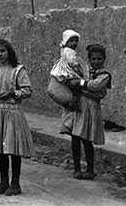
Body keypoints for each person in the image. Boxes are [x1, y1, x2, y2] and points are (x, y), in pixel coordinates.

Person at [0, 39, 34, 197]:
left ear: (9, 51)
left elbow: (28, 90)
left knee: (13, 148)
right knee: (1, 149)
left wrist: (13, 93)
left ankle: (15, 182)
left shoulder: (18, 70)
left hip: (12, 112)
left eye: (2, 51)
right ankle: (3, 181)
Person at [66, 44, 112, 180]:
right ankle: (77, 168)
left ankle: (90, 169)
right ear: (89, 59)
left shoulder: (104, 75)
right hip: (80, 106)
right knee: (75, 137)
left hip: (92, 107)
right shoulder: (85, 71)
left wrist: (80, 83)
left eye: (99, 59)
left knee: (87, 139)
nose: (96, 61)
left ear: (104, 59)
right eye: (93, 59)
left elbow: (95, 85)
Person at [50, 29, 88, 111]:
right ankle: (74, 101)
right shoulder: (70, 52)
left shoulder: (64, 50)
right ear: (66, 42)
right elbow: (73, 62)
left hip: (65, 70)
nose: (74, 43)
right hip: (69, 71)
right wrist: (78, 70)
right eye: (72, 41)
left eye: (76, 41)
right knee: (77, 85)